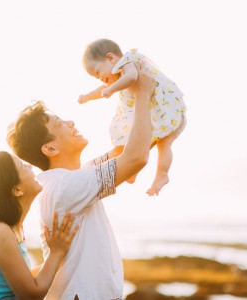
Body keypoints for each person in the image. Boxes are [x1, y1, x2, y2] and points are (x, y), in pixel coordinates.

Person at [6, 61, 154, 300]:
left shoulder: (70, 178)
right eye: (60, 124)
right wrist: (143, 95)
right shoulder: (66, 186)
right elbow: (135, 158)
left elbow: (124, 154)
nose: (71, 123)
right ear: (50, 148)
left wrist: (129, 93)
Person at [79, 38, 187, 196]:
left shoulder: (128, 62)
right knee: (138, 142)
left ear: (110, 58)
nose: (101, 79)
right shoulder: (116, 74)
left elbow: (131, 76)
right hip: (156, 115)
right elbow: (102, 89)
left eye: (98, 73)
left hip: (166, 113)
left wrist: (112, 90)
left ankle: (161, 174)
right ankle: (132, 171)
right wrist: (88, 96)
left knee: (164, 144)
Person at [0, 151, 79, 300]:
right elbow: (31, 294)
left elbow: (25, 278)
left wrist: (66, 259)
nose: (29, 165)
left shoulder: (10, 229)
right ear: (17, 190)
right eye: (22, 166)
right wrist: (56, 252)